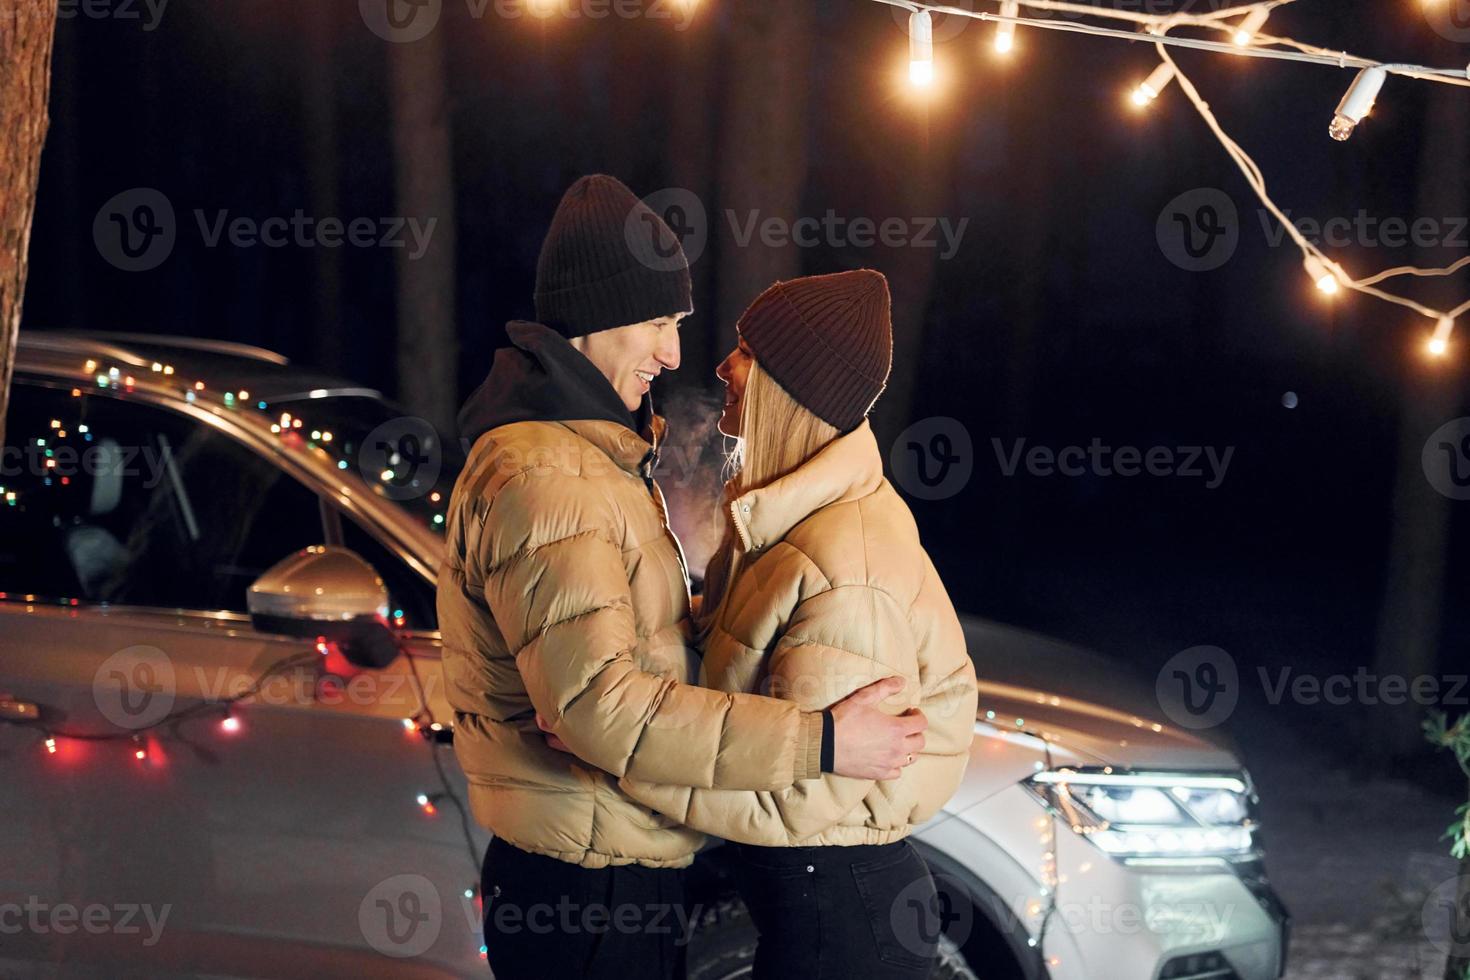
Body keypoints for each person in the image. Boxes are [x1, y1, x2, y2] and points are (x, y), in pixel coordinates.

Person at [436, 176, 929, 980]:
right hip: (587, 889)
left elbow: (613, 665)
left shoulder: (592, 459)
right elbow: (600, 705)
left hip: (608, 870)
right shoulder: (550, 475)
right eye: (660, 322)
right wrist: (826, 740)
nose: (673, 354)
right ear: (600, 316)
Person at [611, 270, 980, 978]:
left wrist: (619, 762)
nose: (722, 366)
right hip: (820, 912)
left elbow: (802, 796)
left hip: (846, 930)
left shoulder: (847, 567)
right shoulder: (789, 528)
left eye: (748, 351)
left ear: (793, 387)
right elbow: (740, 700)